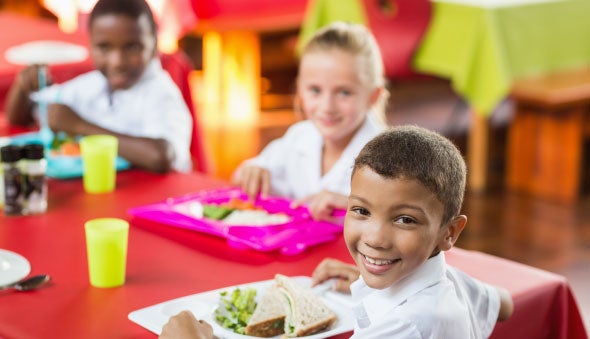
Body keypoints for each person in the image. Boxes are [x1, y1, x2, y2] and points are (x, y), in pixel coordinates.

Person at [158, 126, 514, 339]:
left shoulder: (406, 325)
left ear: (450, 233)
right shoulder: (449, 282)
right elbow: (504, 303)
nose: (375, 237)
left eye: (405, 219)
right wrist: (376, 272)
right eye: (360, 210)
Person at [4, 0, 192, 173]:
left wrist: (79, 126)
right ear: (90, 44)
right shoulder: (92, 84)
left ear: (154, 43)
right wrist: (23, 87)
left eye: (132, 47)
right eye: (104, 47)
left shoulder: (161, 93)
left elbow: (160, 157)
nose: (117, 61)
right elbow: (21, 117)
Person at [232, 21, 388, 221]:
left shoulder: (388, 157)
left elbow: (405, 219)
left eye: (344, 92)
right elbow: (247, 174)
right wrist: (251, 171)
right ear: (300, 89)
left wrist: (357, 207)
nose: (327, 106)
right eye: (315, 90)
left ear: (372, 96)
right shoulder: (300, 136)